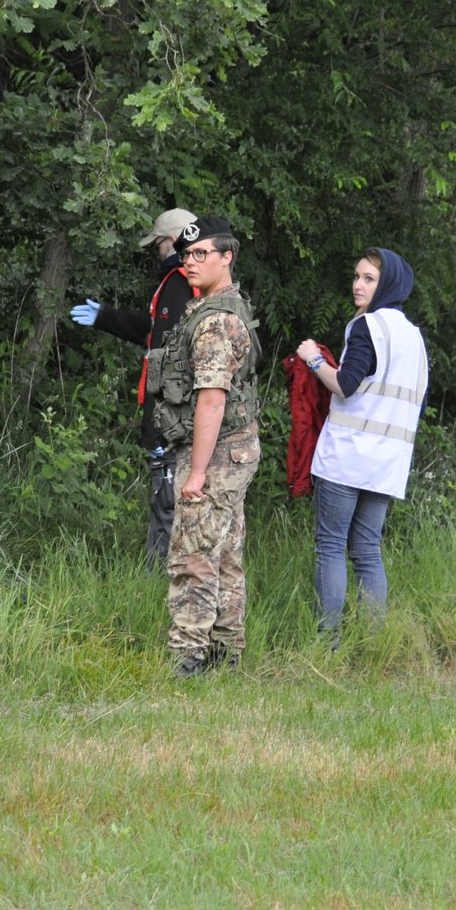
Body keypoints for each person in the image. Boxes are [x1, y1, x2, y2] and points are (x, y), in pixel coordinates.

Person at [293, 249, 429, 644]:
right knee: (368, 550)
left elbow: (345, 385)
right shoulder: (415, 338)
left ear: (386, 285)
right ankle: (372, 644)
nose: (358, 284)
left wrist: (313, 358)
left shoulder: (367, 326)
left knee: (331, 545)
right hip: (388, 462)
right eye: (356, 276)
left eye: (369, 278)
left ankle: (328, 642)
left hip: (348, 455)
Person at [147, 216, 261, 675]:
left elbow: (212, 400)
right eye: (186, 254)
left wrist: (195, 473)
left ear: (226, 258)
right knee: (226, 551)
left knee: (193, 552)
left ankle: (189, 656)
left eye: (201, 255)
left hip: (216, 453)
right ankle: (226, 652)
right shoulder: (224, 304)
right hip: (236, 449)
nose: (189, 262)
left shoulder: (215, 321)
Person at [70, 207, 199, 569]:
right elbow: (153, 332)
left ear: (171, 241)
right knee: (169, 497)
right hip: (180, 416)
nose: (154, 252)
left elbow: (168, 360)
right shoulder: (187, 283)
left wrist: (155, 427)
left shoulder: (179, 282)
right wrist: (106, 317)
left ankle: (159, 577)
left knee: (167, 499)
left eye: (156, 244)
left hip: (171, 418)